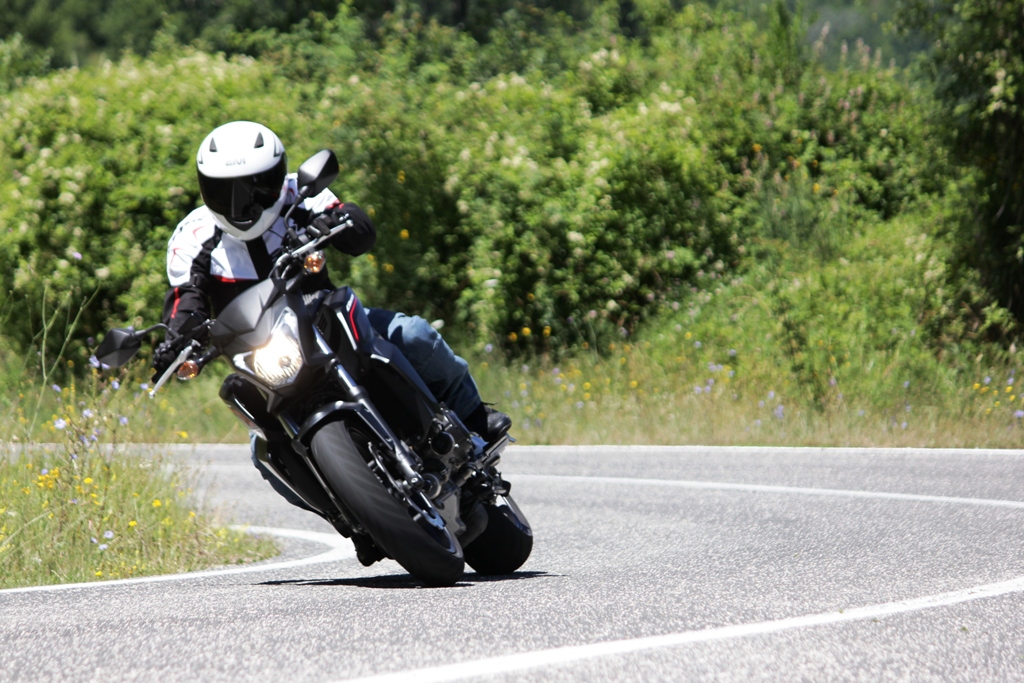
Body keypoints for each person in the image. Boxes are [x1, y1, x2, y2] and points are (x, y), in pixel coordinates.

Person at [153, 120, 510, 515]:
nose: (245, 204)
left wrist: (339, 223)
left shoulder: (298, 193)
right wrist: (173, 341)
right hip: (258, 357)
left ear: (277, 174)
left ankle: (476, 421)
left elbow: (357, 227)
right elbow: (184, 303)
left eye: (258, 186)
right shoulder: (192, 237)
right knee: (263, 450)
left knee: (413, 334)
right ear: (206, 189)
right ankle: (348, 512)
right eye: (227, 191)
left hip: (323, 320)